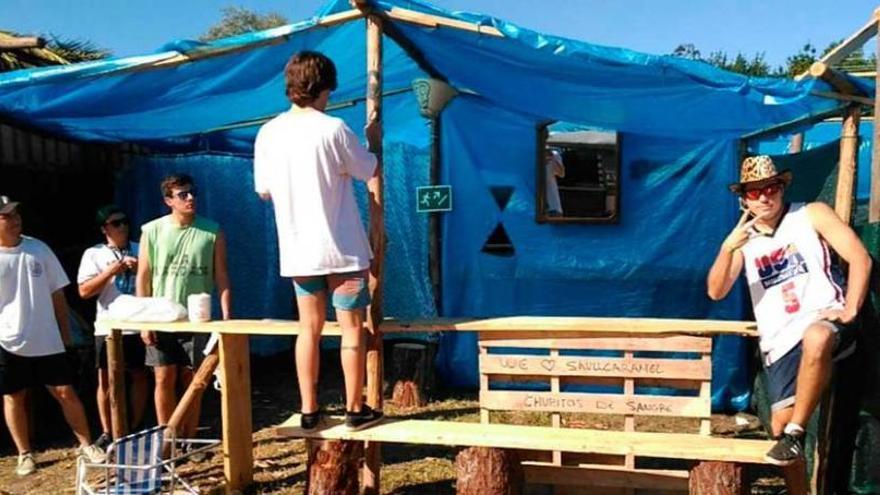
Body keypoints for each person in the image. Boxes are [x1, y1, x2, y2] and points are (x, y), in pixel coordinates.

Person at [706, 156, 871, 478]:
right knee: (778, 427)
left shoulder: (811, 214)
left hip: (824, 320)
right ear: (744, 199)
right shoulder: (744, 239)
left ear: (782, 188)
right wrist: (727, 249)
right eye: (754, 192)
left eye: (771, 188)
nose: (764, 197)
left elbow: (859, 257)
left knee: (817, 336)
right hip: (779, 339)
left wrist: (851, 308)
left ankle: (797, 432)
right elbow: (716, 291)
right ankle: (794, 457)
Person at [254, 51, 382, 431]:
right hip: (343, 249)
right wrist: (372, 141)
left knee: (307, 328)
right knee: (352, 330)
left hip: (298, 249)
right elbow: (368, 169)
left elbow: (264, 190)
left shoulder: (268, 133)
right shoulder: (334, 128)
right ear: (323, 87)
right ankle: (355, 409)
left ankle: (310, 410)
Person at [0, 195, 106, 476]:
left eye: (16, 214)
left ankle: (86, 444)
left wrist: (65, 335)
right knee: (14, 396)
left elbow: (58, 294)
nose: (14, 220)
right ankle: (25, 454)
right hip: (6, 341)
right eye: (6, 216)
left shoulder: (39, 249)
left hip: (47, 338)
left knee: (65, 392)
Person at [136, 175, 231, 438]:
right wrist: (144, 321)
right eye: (183, 194)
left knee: (194, 380)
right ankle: (169, 438)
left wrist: (226, 318)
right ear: (169, 201)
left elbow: (221, 275)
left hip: (197, 317)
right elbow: (143, 276)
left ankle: (189, 437)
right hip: (161, 317)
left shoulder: (212, 231)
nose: (190, 198)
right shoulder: (151, 230)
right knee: (163, 378)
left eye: (192, 193)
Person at [77, 205, 148, 449]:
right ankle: (108, 431)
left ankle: (135, 426)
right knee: (105, 379)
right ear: (104, 229)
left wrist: (141, 270)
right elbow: (84, 291)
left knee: (139, 374)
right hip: (108, 325)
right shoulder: (93, 254)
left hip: (139, 324)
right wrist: (111, 270)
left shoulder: (141, 248)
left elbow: (157, 279)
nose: (123, 227)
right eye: (116, 223)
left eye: (125, 221)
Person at [544, 148, 565, 216]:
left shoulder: (554, 155)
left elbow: (561, 173)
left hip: (553, 207)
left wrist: (552, 159)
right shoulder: (530, 154)